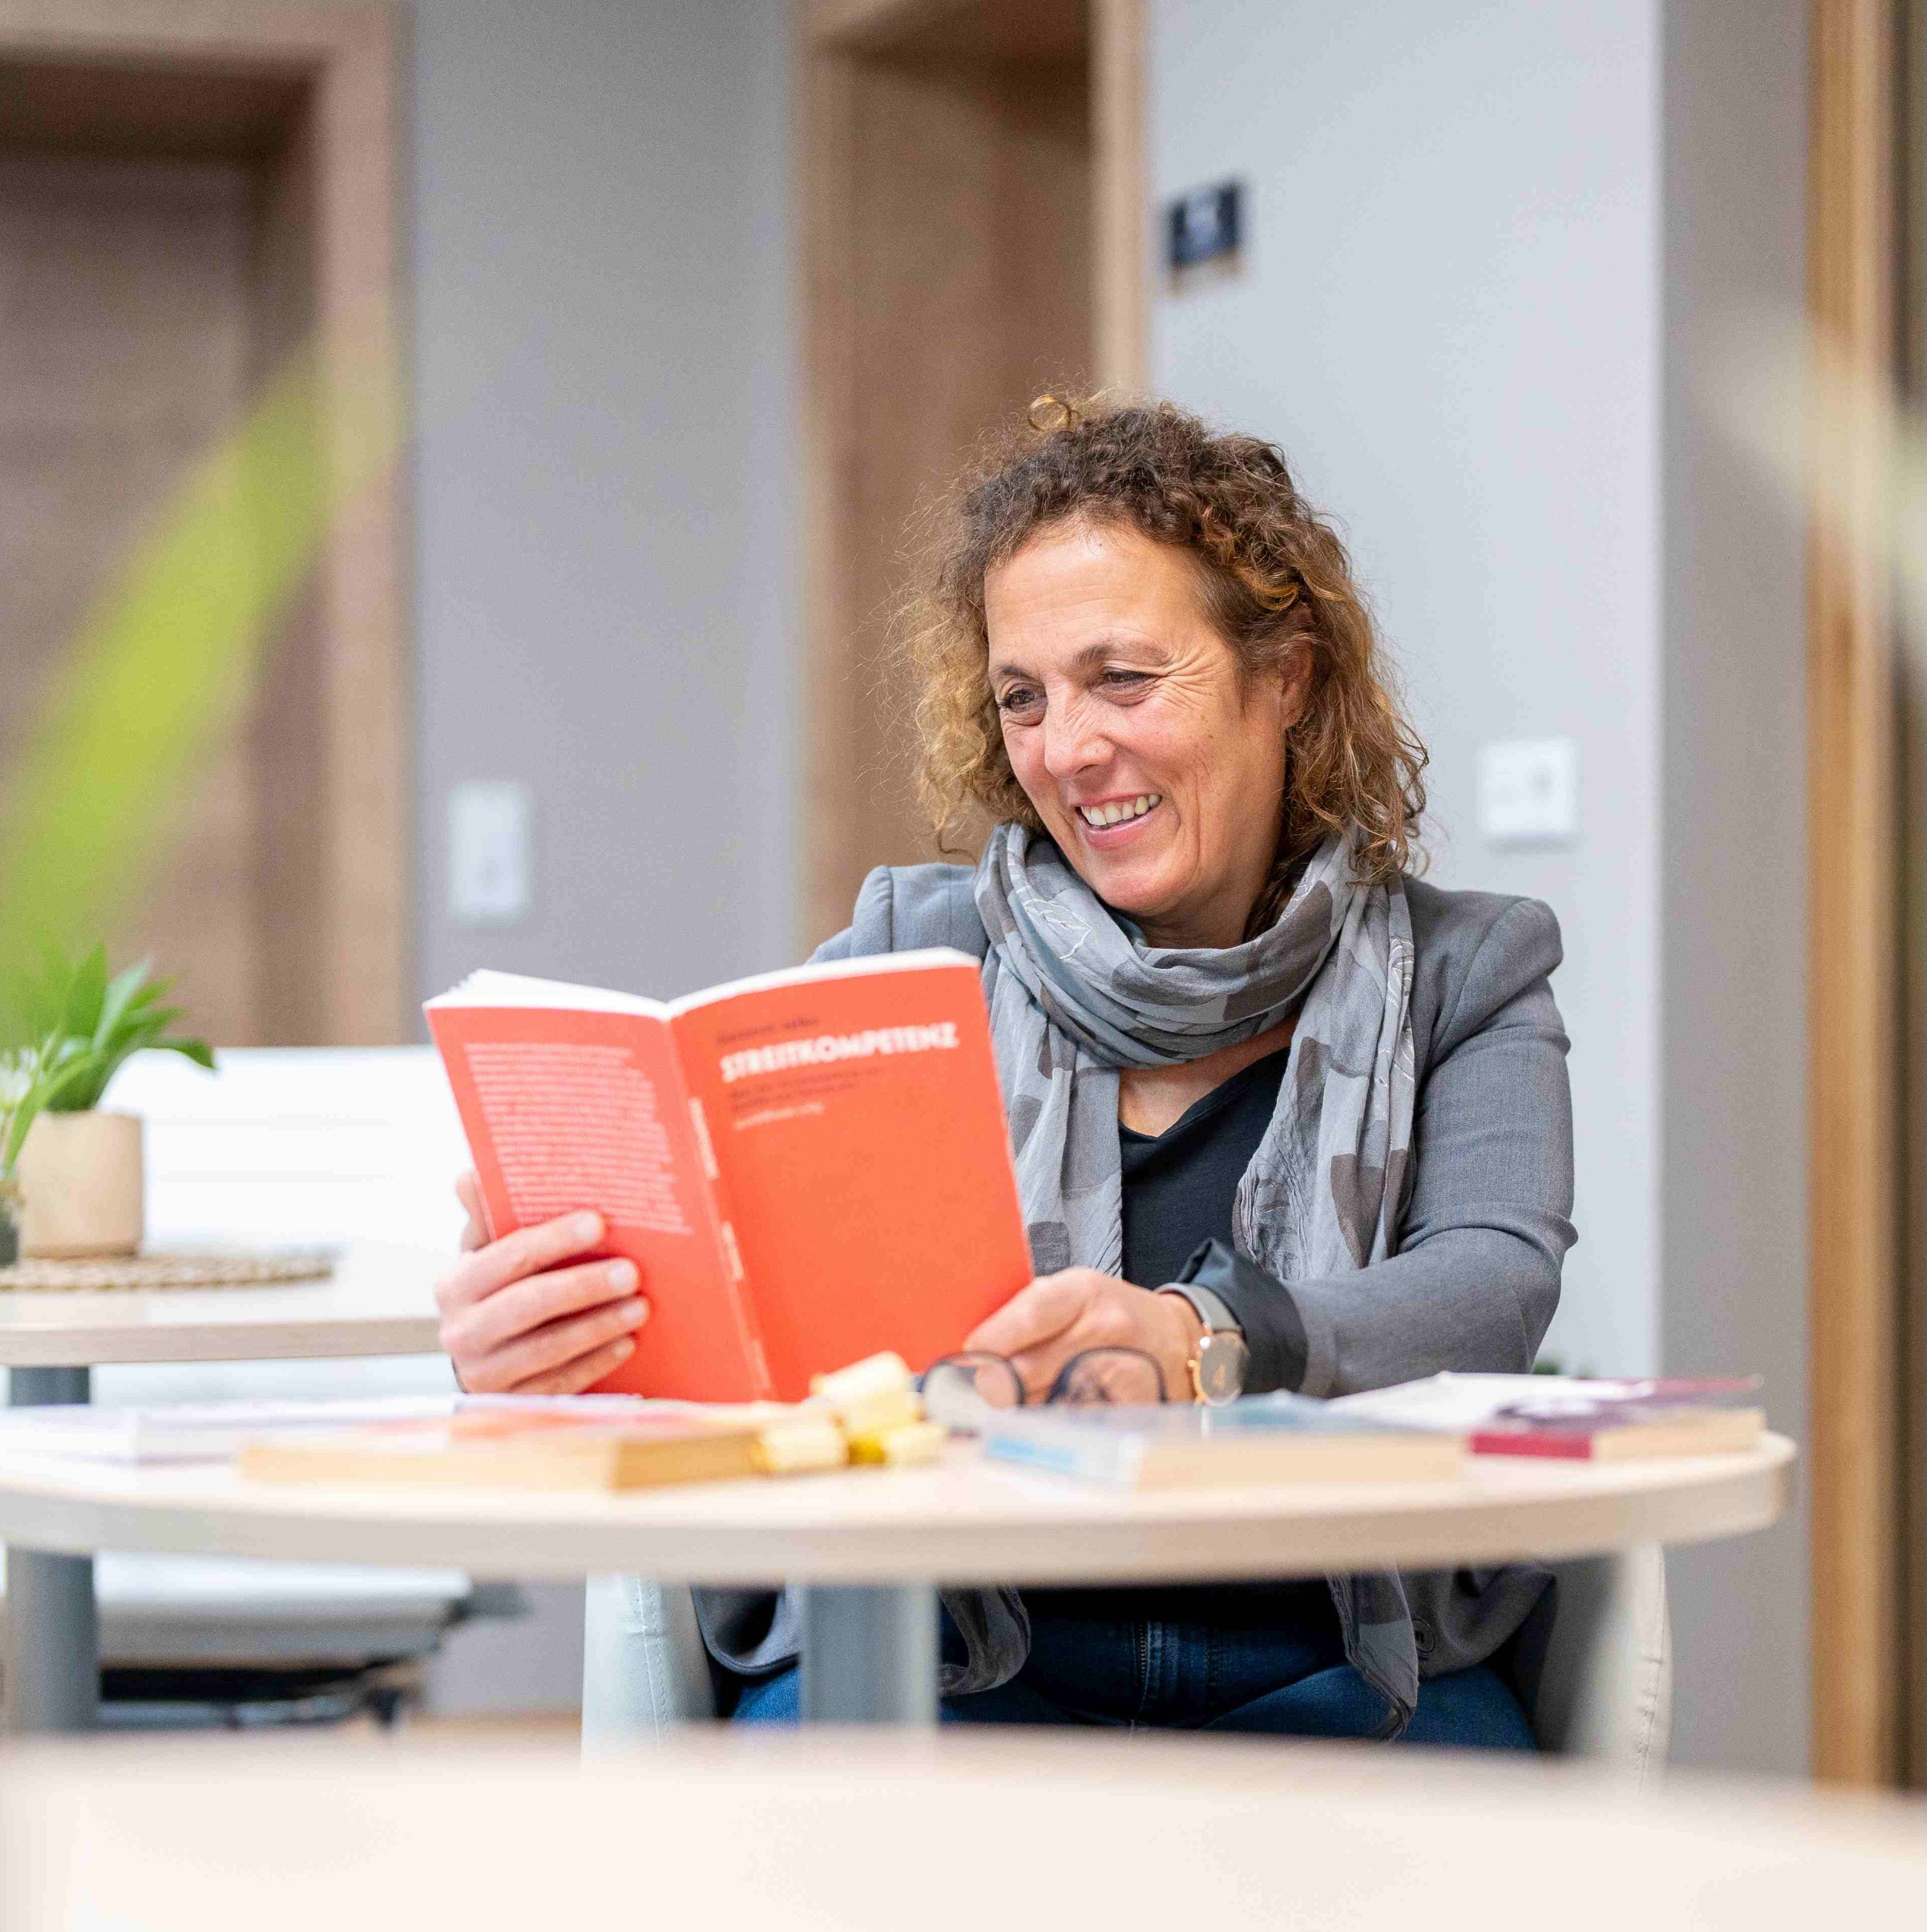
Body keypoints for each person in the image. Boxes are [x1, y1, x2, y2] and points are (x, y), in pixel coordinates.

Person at [435, 398, 1574, 1745]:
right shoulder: (911, 950)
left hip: (1338, 1664)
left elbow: (1492, 1283)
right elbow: (761, 1307)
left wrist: (1205, 1339)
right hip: (945, 1657)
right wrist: (575, 1325)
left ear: (1288, 679)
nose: (1065, 750)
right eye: (1021, 697)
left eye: (1125, 678)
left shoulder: (1465, 967)